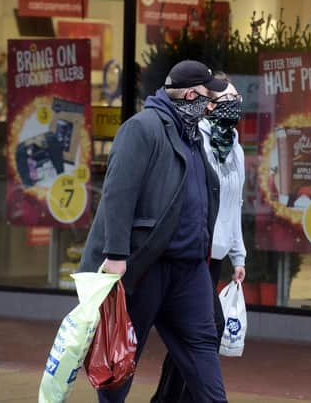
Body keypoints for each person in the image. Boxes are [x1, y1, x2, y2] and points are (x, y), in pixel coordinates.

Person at [79, 60, 229, 403]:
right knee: (123, 353)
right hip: (145, 266)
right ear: (190, 94)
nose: (209, 107)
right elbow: (118, 194)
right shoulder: (143, 128)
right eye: (206, 98)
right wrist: (116, 255)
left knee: (202, 345)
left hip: (188, 270)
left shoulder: (190, 133)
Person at [151, 76, 247, 403]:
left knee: (193, 335)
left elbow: (235, 205)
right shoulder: (199, 142)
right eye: (229, 98)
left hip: (217, 258)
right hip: (196, 254)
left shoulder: (235, 148)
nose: (236, 103)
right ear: (209, 104)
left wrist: (239, 256)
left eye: (238, 97)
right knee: (206, 330)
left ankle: (168, 398)